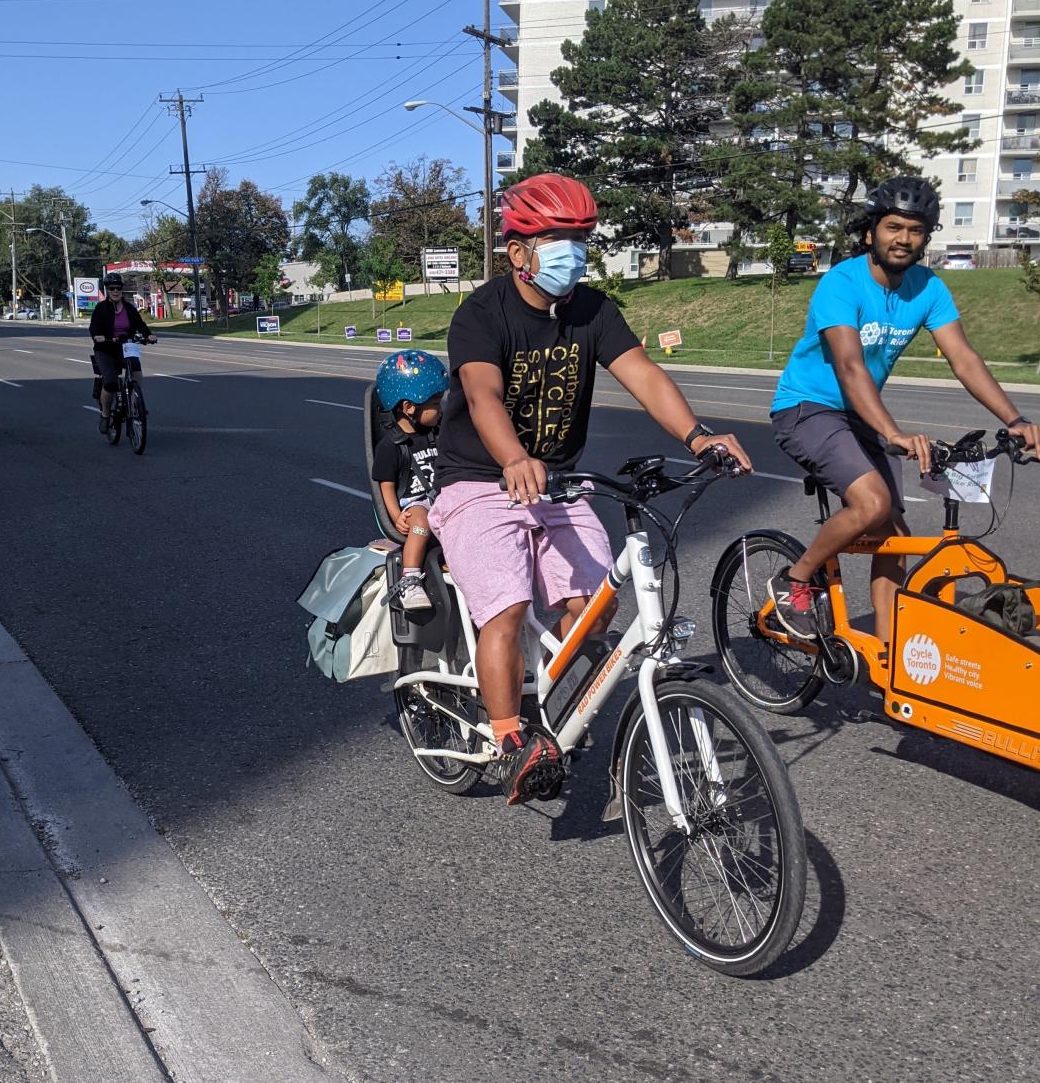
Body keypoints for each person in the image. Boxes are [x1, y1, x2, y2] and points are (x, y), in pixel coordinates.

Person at [428, 172, 752, 805]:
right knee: (507, 606)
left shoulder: (594, 310)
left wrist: (698, 437)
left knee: (599, 607)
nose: (572, 253)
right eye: (556, 238)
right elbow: (482, 394)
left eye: (580, 238)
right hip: (479, 480)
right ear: (518, 251)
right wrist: (515, 456)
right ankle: (511, 738)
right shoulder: (481, 314)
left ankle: (555, 701)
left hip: (559, 484)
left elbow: (644, 375)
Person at [767, 175, 1040, 643]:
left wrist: (1014, 420)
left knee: (894, 529)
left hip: (859, 414)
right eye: (894, 227)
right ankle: (795, 581)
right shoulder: (842, 283)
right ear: (872, 229)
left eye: (915, 230)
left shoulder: (927, 287)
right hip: (807, 408)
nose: (904, 239)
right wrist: (893, 433)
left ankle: (893, 658)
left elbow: (964, 358)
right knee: (871, 505)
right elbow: (851, 367)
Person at [372, 349, 448, 611]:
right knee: (420, 518)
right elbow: (386, 485)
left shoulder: (437, 435)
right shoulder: (391, 446)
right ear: (409, 407)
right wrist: (395, 515)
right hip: (414, 504)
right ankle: (411, 578)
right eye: (435, 404)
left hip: (445, 500)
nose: (440, 409)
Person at [89, 272, 157, 434]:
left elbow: (140, 324)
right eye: (112, 288)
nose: (115, 291)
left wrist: (149, 335)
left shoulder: (129, 309)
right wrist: (98, 337)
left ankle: (136, 401)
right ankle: (105, 415)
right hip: (105, 348)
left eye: (118, 288)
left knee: (136, 371)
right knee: (111, 381)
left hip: (125, 346)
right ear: (107, 290)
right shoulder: (101, 308)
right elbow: (94, 327)